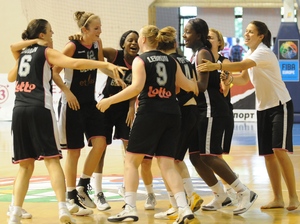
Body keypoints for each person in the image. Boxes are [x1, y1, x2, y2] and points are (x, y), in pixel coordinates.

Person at [8, 18, 124, 224]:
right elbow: (75, 63)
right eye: (50, 32)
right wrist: (104, 63)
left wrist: (28, 46)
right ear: (42, 35)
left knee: (25, 166)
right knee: (53, 161)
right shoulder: (47, 52)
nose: (53, 35)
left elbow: (10, 75)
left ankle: (14, 214)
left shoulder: (23, 54)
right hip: (40, 107)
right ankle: (64, 205)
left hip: (18, 110)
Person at [96, 24, 198, 223]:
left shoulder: (140, 60)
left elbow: (136, 88)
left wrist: (109, 100)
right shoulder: (170, 60)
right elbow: (187, 85)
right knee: (167, 164)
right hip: (172, 113)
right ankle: (184, 208)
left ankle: (130, 207)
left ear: (143, 40)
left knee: (131, 161)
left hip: (150, 112)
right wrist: (196, 86)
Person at [197, 20, 300, 211]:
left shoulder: (263, 52)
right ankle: (277, 198)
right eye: (245, 31)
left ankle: (293, 197)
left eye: (251, 32)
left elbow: (241, 66)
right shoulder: (250, 53)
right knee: (268, 155)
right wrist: (228, 79)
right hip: (262, 108)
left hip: (280, 104)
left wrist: (217, 66)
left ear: (261, 36)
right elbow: (243, 77)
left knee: (279, 151)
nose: (246, 34)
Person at [52, 11, 125, 216]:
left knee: (100, 143)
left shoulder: (96, 44)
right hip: (71, 103)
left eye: (100, 27)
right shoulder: (72, 47)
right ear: (84, 30)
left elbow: (101, 65)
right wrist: (67, 92)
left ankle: (83, 185)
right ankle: (70, 194)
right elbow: (54, 72)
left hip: (89, 102)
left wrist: (115, 76)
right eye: (96, 28)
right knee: (74, 151)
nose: (100, 31)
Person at [183, 17, 257, 215]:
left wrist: (180, 83)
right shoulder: (194, 55)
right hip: (200, 111)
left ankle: (244, 192)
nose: (184, 35)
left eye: (188, 31)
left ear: (198, 34)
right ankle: (220, 195)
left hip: (211, 110)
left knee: (209, 155)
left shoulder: (203, 53)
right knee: (196, 158)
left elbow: (202, 86)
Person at [94, 30, 156, 210]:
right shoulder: (115, 54)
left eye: (136, 40)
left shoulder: (139, 61)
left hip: (124, 109)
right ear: (123, 43)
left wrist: (131, 106)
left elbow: (136, 87)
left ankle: (126, 186)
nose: (133, 43)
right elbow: (98, 56)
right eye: (130, 40)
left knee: (131, 149)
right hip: (107, 105)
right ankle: (98, 191)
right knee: (101, 148)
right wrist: (97, 39)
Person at [153, 26, 203, 221]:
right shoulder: (185, 60)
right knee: (176, 159)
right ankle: (188, 197)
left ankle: (181, 201)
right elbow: (194, 84)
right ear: (174, 43)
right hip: (192, 109)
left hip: (180, 109)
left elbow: (175, 87)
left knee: (167, 159)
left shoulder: (169, 62)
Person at [208, 28, 237, 204]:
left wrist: (226, 81)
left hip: (221, 113)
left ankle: (230, 190)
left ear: (219, 42)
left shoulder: (224, 62)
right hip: (204, 113)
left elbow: (225, 89)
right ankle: (224, 192)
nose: (207, 40)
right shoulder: (199, 59)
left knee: (216, 156)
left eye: (211, 38)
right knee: (207, 155)